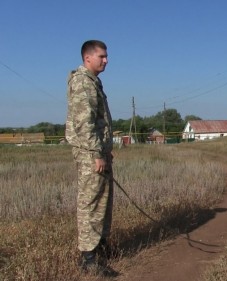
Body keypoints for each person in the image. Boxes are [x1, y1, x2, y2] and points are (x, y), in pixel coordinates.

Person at [65, 40, 117, 276]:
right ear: (88, 58)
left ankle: (100, 247)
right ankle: (88, 258)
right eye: (102, 57)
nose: (106, 60)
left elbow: (98, 123)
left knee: (103, 203)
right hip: (89, 155)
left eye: (106, 57)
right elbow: (84, 124)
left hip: (98, 153)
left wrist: (106, 149)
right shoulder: (82, 82)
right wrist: (96, 153)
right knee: (91, 204)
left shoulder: (94, 82)